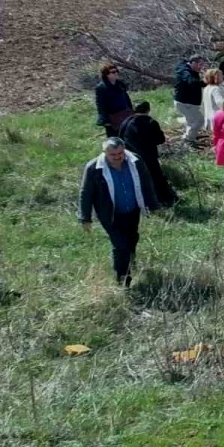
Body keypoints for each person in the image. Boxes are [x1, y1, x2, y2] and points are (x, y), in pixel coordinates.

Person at [78, 137, 159, 286]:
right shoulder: (93, 168)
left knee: (132, 238)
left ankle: (131, 259)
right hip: (109, 214)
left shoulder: (135, 161)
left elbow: (146, 181)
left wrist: (153, 204)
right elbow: (86, 192)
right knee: (120, 246)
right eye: (113, 155)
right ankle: (123, 280)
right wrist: (85, 217)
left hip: (132, 210)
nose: (117, 157)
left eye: (120, 153)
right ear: (105, 153)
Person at [118, 101, 176, 206]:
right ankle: (164, 200)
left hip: (131, 157)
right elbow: (160, 139)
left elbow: (120, 138)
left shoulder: (126, 122)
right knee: (156, 178)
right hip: (149, 157)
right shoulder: (151, 122)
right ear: (148, 110)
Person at [174, 54, 207, 145]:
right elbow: (192, 82)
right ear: (193, 63)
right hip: (185, 103)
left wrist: (205, 82)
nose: (201, 67)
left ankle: (188, 138)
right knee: (199, 121)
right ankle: (189, 139)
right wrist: (205, 81)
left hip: (190, 102)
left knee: (191, 121)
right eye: (200, 64)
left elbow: (198, 84)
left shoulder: (191, 70)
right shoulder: (185, 71)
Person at [94, 63, 133, 138]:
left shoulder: (120, 84)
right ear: (106, 74)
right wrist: (105, 120)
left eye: (117, 71)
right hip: (112, 118)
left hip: (125, 115)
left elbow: (126, 98)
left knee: (128, 138)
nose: (116, 73)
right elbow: (100, 105)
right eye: (113, 72)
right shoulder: (101, 87)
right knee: (115, 140)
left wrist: (131, 111)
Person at [201, 68, 224, 132]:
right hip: (218, 118)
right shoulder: (215, 89)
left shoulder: (207, 88)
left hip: (209, 117)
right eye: (221, 75)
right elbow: (221, 103)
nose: (223, 76)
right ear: (216, 77)